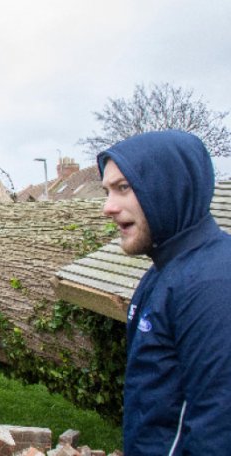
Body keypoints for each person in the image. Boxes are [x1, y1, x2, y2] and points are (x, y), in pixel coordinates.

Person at [98, 130, 231, 455]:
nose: (108, 207)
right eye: (107, 191)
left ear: (167, 186)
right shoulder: (164, 272)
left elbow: (217, 430)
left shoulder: (213, 285)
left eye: (123, 188)